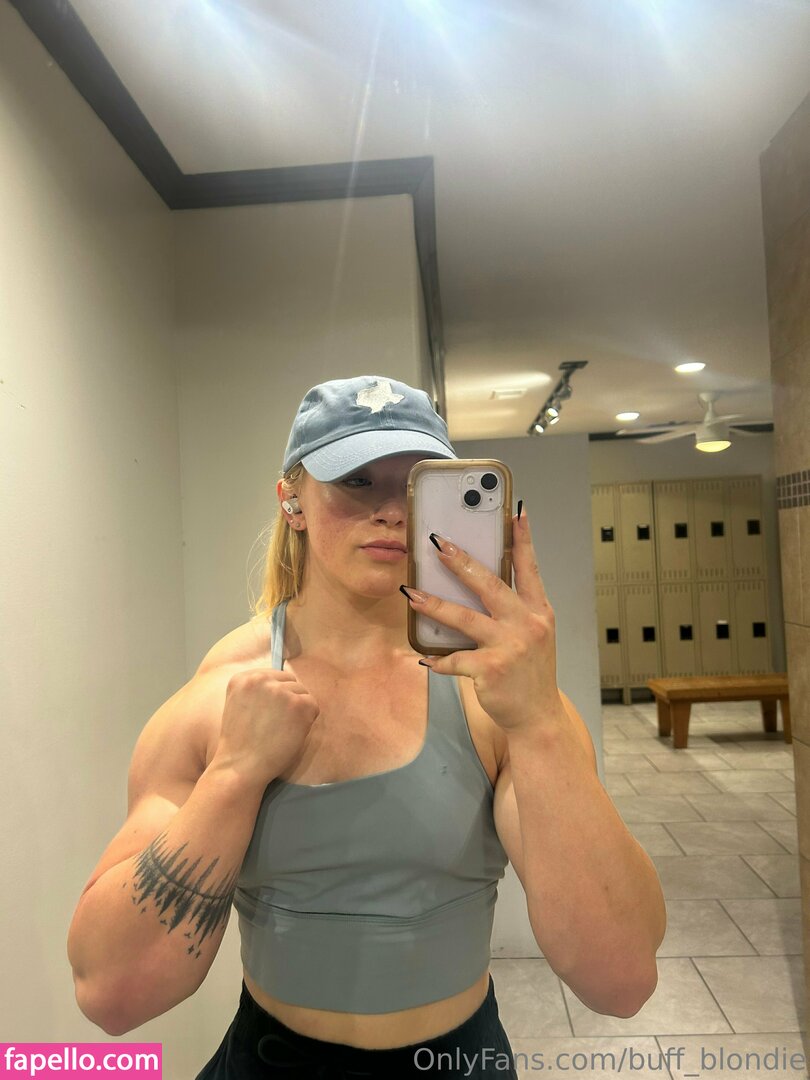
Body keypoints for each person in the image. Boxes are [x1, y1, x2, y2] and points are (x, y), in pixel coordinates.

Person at [67, 375, 666, 1079]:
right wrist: (234, 772)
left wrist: (538, 722)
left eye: (415, 486)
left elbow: (621, 979)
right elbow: (112, 994)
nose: (389, 510)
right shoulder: (221, 696)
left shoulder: (492, 698)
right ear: (291, 500)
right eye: (355, 480)